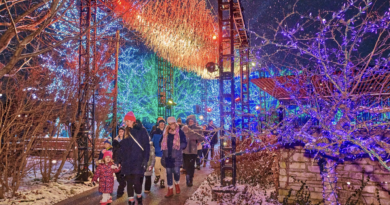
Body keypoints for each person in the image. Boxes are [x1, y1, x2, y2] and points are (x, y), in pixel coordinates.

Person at [118, 112, 150, 205]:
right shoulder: (126, 131)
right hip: (127, 161)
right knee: (129, 182)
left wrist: (145, 160)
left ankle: (139, 196)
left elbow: (146, 146)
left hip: (138, 160)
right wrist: (119, 158)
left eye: (128, 121)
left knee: (136, 182)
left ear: (133, 120)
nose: (127, 123)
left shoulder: (142, 130)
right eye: (126, 121)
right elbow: (124, 148)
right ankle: (131, 200)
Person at [160, 117, 187, 198]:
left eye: (172, 123)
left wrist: (178, 146)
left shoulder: (180, 132)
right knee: (168, 173)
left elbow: (184, 143)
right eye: (169, 124)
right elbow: (160, 142)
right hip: (167, 156)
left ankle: (177, 184)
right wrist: (162, 146)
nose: (171, 125)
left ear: (175, 123)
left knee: (176, 172)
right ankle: (170, 189)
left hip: (176, 156)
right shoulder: (166, 132)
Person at [182, 115, 205, 187]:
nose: (190, 122)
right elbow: (180, 137)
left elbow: (201, 138)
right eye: (189, 120)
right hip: (185, 150)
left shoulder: (198, 129)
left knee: (191, 165)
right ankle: (187, 176)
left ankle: (190, 178)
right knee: (186, 165)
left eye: (192, 121)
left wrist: (195, 138)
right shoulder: (184, 128)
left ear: (194, 121)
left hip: (193, 150)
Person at [151, 119, 166, 188]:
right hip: (157, 152)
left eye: (163, 123)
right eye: (161, 123)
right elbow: (152, 141)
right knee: (156, 167)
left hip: (164, 153)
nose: (162, 124)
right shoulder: (155, 132)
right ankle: (157, 175)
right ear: (158, 124)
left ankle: (162, 180)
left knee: (163, 168)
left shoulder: (167, 132)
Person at [113, 127, 126, 198]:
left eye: (122, 131)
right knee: (118, 177)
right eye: (120, 131)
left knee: (122, 179)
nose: (121, 133)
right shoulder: (115, 141)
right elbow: (114, 152)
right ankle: (121, 188)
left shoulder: (126, 141)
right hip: (117, 161)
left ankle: (120, 192)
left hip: (124, 162)